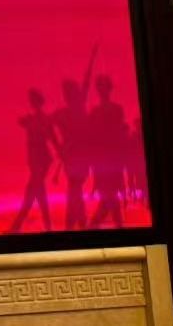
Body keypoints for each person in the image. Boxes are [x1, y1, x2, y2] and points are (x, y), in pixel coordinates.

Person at [53, 46, 97, 230]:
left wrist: (59, 147)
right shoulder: (68, 111)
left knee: (74, 188)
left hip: (76, 155)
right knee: (75, 188)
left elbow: (86, 81)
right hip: (76, 155)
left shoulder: (66, 112)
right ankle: (77, 222)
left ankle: (75, 222)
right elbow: (86, 82)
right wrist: (60, 147)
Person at [8, 88, 57, 232]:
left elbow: (52, 138)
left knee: (31, 193)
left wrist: (62, 152)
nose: (30, 102)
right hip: (37, 159)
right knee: (38, 193)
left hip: (40, 159)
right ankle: (47, 227)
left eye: (32, 100)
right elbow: (52, 138)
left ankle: (17, 226)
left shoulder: (39, 120)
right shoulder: (36, 119)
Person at [88, 75, 128, 228]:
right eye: (100, 87)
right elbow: (92, 138)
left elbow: (119, 136)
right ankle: (114, 225)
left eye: (104, 87)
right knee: (109, 197)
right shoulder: (96, 112)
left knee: (109, 197)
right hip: (103, 159)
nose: (102, 91)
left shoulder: (115, 110)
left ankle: (96, 224)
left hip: (111, 158)